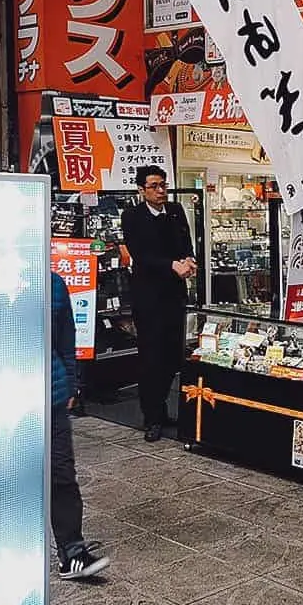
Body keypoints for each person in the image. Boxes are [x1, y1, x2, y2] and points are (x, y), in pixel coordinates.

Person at [121, 166, 197, 442]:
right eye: (154, 186)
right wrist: (171, 265)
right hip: (149, 297)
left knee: (172, 356)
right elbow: (141, 255)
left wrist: (188, 260)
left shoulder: (175, 211)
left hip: (174, 295)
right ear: (141, 190)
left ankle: (162, 407)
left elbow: (186, 241)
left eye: (163, 185)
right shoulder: (132, 216)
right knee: (151, 358)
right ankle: (151, 417)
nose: (161, 190)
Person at [52, 271, 110, 579]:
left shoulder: (53, 284)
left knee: (62, 474)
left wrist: (71, 382)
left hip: (51, 396)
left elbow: (66, 338)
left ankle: (72, 553)